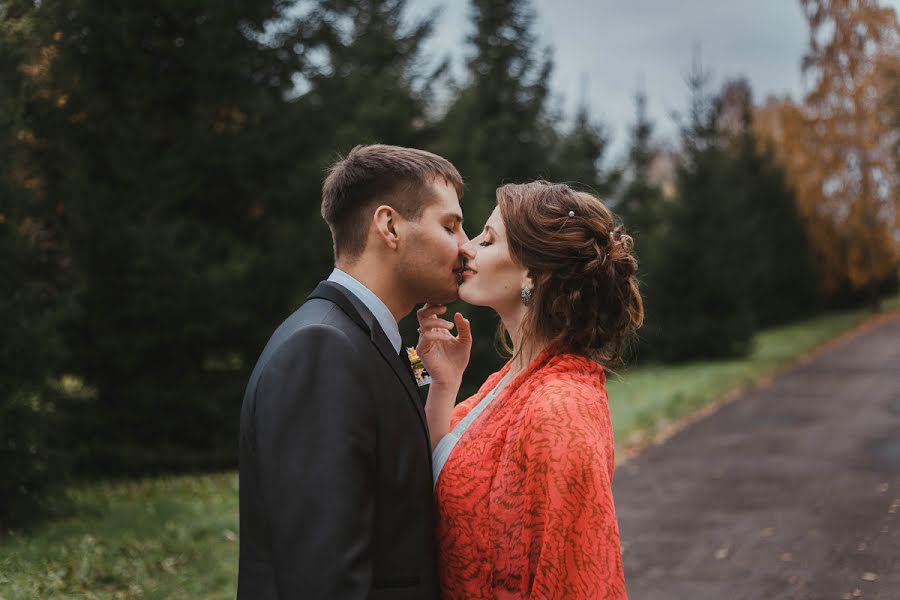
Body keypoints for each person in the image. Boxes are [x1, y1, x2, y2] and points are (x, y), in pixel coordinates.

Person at [237, 144, 468, 599]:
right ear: (389, 226)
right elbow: (323, 580)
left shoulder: (363, 340)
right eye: (451, 226)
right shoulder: (322, 349)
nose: (465, 247)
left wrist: (437, 380)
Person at [417, 181, 643, 599]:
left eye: (487, 240)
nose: (465, 248)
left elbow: (577, 578)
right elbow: (434, 478)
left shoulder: (560, 407)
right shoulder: (510, 380)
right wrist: (443, 385)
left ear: (534, 274)